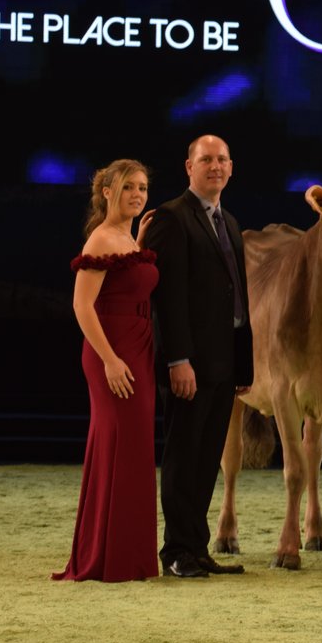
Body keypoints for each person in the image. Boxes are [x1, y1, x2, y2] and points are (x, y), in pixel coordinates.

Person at [142, 135, 253, 579]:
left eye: (222, 159)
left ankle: (196, 547)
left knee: (207, 459)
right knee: (184, 456)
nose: (215, 166)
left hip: (225, 363)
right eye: (206, 159)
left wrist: (243, 364)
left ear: (232, 167)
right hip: (189, 364)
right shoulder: (172, 218)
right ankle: (175, 551)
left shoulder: (230, 222)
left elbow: (238, 299)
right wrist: (177, 360)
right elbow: (167, 299)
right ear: (189, 166)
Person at [54, 160, 159, 582]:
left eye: (143, 188)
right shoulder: (100, 237)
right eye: (128, 187)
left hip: (138, 347)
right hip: (112, 351)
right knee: (118, 444)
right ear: (107, 192)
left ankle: (127, 555)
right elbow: (82, 306)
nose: (137, 194)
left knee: (134, 449)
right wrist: (110, 360)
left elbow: (128, 280)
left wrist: (140, 242)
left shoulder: (127, 238)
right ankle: (107, 557)